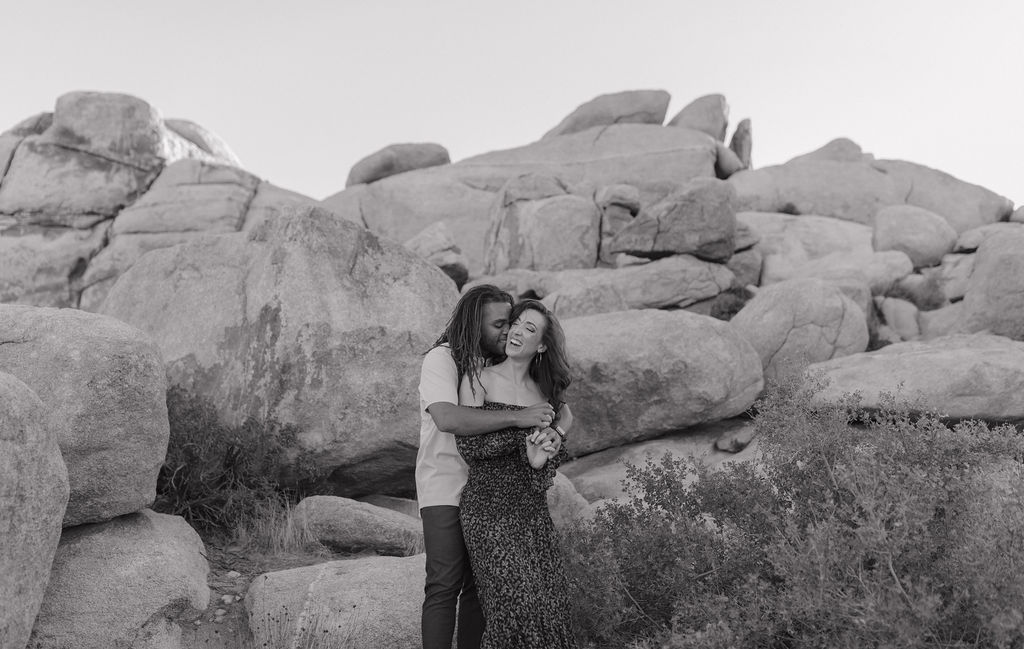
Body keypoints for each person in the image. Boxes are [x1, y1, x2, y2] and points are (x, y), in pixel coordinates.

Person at [417, 286, 561, 649]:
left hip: (488, 490)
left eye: (511, 322)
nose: (508, 331)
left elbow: (560, 407)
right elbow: (448, 418)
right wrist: (517, 417)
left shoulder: (495, 363)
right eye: (499, 324)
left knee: (480, 589)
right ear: (474, 324)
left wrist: (556, 432)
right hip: (445, 482)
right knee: (444, 582)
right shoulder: (442, 359)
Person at [455, 298, 578, 649]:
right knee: (513, 609)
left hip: (531, 513)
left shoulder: (544, 394)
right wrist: (520, 436)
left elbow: (546, 462)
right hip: (487, 510)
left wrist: (542, 455)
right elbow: (469, 448)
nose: (517, 331)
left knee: (550, 607)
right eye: (516, 322)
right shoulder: (478, 378)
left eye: (529, 328)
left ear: (541, 346)